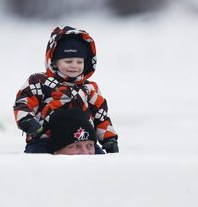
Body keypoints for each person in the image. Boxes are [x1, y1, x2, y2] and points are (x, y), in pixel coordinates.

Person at [13, 25, 119, 154]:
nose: (74, 66)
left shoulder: (89, 88)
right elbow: (23, 103)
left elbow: (101, 116)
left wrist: (110, 139)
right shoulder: (40, 82)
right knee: (37, 158)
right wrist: (28, 121)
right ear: (54, 62)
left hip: (84, 140)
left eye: (79, 62)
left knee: (99, 161)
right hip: (46, 139)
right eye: (68, 61)